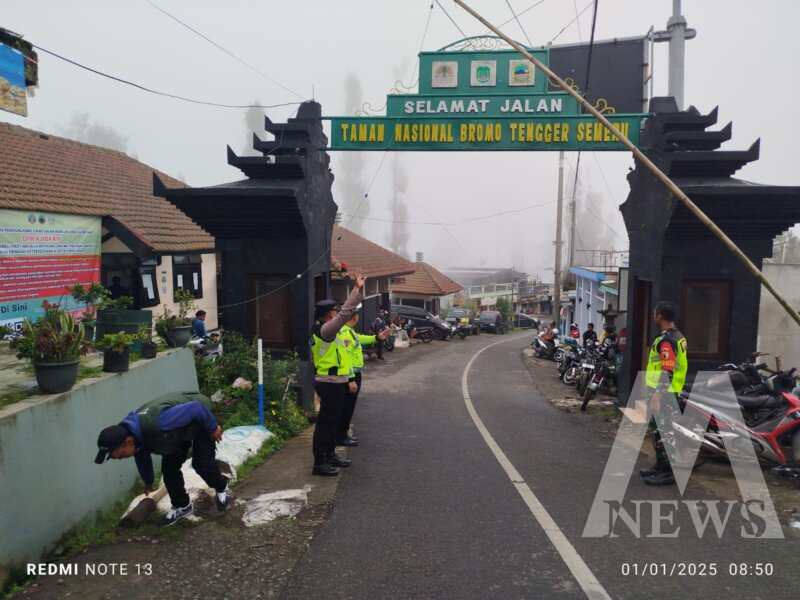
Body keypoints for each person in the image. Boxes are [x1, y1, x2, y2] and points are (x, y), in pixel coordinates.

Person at [94, 392, 230, 526]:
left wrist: (213, 427)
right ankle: (182, 506)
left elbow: (196, 408)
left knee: (201, 463)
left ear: (127, 442)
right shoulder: (132, 435)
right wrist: (148, 482)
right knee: (169, 470)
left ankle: (221, 487)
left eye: (117, 453)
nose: (116, 458)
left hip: (200, 417)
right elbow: (141, 455)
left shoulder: (158, 422)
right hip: (176, 432)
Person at [310, 274, 365, 476]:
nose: (337, 313)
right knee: (325, 423)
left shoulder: (330, 330)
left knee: (333, 421)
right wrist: (356, 290)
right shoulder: (325, 330)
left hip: (337, 381)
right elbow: (345, 314)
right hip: (329, 382)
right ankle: (320, 461)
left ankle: (330, 453)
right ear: (327, 314)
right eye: (334, 310)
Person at [639, 301, 688, 486]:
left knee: (665, 432)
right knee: (659, 432)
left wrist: (658, 396)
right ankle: (660, 466)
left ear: (660, 315)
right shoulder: (677, 336)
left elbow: (667, 370)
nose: (653, 316)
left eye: (654, 313)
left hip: (665, 394)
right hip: (667, 392)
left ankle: (668, 472)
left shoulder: (667, 340)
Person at [338, 310, 389, 447]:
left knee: (349, 406)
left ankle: (343, 434)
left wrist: (376, 338)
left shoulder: (349, 331)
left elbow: (359, 338)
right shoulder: (344, 333)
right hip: (351, 374)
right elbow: (345, 356)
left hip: (353, 373)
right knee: (347, 407)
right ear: (354, 318)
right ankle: (341, 436)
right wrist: (350, 379)